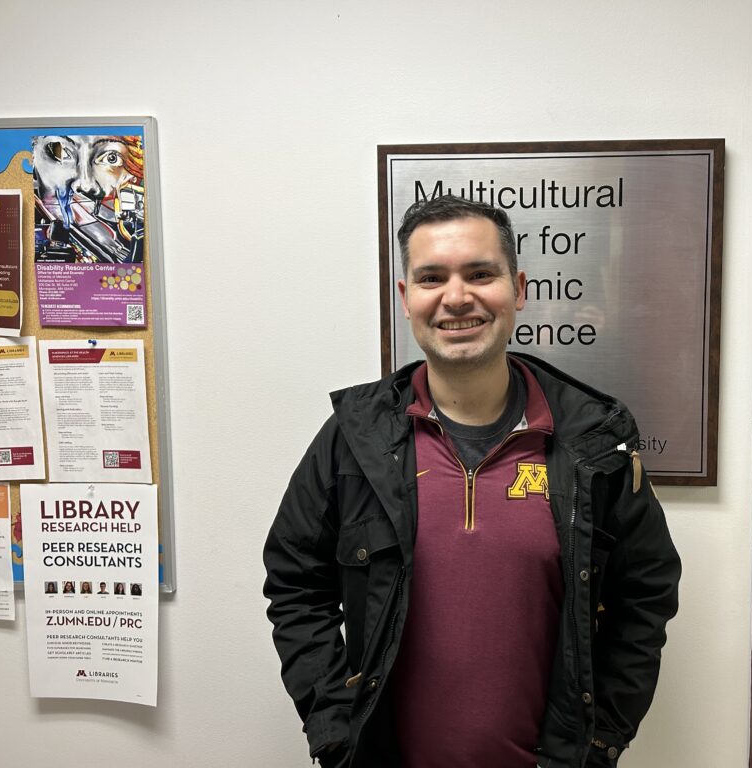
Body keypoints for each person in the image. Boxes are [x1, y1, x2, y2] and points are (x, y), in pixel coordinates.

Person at [264, 195, 681, 768]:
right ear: (407, 299)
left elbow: (645, 595)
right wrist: (333, 723)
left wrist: (600, 739)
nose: (456, 298)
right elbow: (294, 581)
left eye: (480, 274)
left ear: (520, 288)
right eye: (432, 278)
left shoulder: (592, 440)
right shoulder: (353, 439)